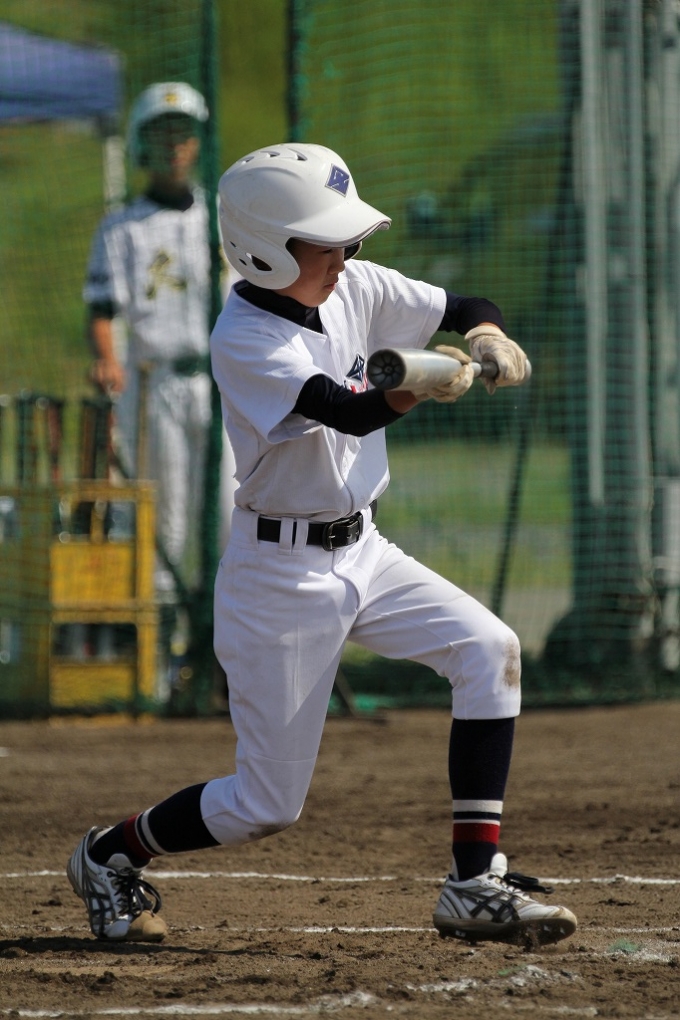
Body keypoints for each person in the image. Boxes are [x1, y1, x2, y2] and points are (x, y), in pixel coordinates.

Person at [67, 143, 577, 947]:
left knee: (490, 649)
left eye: (348, 240)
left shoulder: (356, 285)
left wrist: (484, 333)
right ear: (264, 249)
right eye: (325, 242)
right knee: (264, 806)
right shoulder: (242, 336)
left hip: (365, 549)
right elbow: (347, 411)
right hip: (280, 578)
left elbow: (464, 302)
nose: (345, 256)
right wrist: (422, 383)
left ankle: (474, 883)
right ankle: (108, 853)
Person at [82, 82, 236, 687]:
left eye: (184, 133)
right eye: (162, 134)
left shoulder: (222, 216)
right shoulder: (122, 227)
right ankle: (161, 661)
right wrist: (108, 360)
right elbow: (102, 309)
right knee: (164, 520)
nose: (174, 145)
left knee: (232, 515)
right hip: (157, 382)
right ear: (142, 145)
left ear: (199, 143)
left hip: (221, 384)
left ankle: (224, 656)